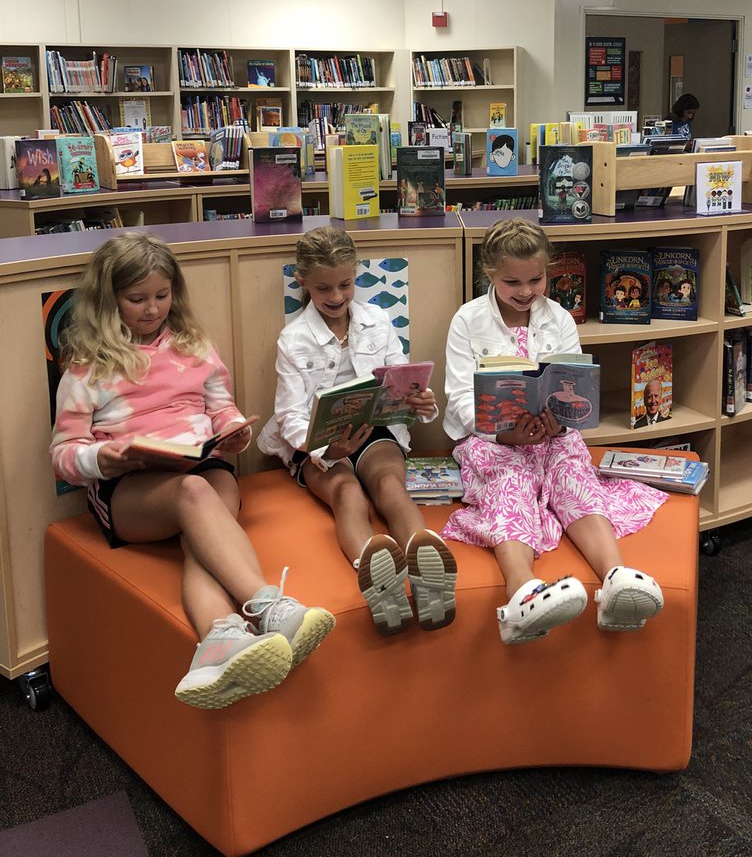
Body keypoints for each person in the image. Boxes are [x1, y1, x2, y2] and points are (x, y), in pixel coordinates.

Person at [49, 233, 335, 710]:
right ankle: (269, 606)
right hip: (130, 490)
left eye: (162, 296)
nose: (152, 309)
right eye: (136, 299)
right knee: (194, 494)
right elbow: (62, 452)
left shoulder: (193, 345)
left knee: (209, 497)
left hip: (200, 465)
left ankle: (219, 640)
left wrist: (233, 430)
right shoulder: (87, 366)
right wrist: (103, 459)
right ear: (108, 299)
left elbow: (220, 408)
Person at [442, 218, 666, 645]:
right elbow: (459, 399)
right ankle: (521, 593)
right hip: (494, 442)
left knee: (574, 474)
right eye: (512, 282)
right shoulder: (468, 320)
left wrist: (558, 422)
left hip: (552, 435)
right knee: (509, 483)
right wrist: (502, 434)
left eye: (536, 279)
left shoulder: (559, 316)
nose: (526, 291)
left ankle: (616, 579)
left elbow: (576, 382)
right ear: (489, 274)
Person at [258, 226, 457, 637]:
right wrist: (325, 446)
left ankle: (424, 562)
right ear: (303, 282)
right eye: (323, 288)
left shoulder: (377, 320)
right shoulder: (293, 339)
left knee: (389, 484)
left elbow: (401, 380)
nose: (336, 297)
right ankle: (374, 570)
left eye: (345, 285)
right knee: (347, 491)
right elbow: (290, 416)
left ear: (357, 275)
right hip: (318, 445)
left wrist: (420, 403)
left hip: (373, 429)